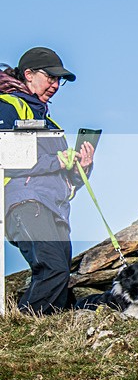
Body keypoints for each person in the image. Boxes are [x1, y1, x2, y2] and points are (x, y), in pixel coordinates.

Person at [0, 47, 94, 315]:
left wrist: (81, 168)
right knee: (53, 269)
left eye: (58, 80)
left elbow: (63, 176)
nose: (55, 85)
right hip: (25, 203)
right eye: (50, 77)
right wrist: (58, 162)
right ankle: (23, 328)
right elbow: (6, 157)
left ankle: (45, 334)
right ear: (28, 74)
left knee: (60, 278)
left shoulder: (50, 122)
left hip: (56, 209)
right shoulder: (8, 106)